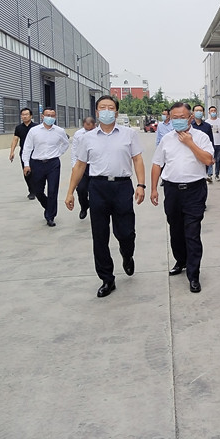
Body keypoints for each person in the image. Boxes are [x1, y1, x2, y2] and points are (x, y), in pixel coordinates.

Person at [65, 95, 146, 298]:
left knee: (126, 233)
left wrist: (141, 185)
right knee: (100, 236)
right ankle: (107, 278)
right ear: (97, 112)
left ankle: (127, 255)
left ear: (116, 112)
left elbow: (137, 159)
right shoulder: (87, 138)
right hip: (98, 187)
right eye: (103, 107)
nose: (107, 111)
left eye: (111, 107)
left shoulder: (129, 134)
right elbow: (80, 165)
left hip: (122, 186)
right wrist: (70, 192)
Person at [150, 102, 215, 293]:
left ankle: (193, 275)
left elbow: (208, 160)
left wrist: (190, 143)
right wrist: (153, 189)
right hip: (172, 191)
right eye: (174, 118)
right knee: (176, 230)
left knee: (192, 232)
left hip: (195, 190)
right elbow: (157, 164)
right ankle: (181, 260)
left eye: (182, 117)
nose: (178, 121)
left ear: (190, 118)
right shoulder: (167, 139)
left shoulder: (201, 137)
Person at [22, 107, 69, 227]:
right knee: (38, 191)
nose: (50, 117)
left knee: (53, 190)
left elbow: (65, 143)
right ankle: (48, 206)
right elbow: (27, 148)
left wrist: (58, 153)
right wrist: (26, 164)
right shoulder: (34, 131)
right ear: (42, 116)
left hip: (53, 164)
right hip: (37, 163)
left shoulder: (59, 131)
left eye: (52, 115)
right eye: (47, 115)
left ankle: (50, 216)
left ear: (55, 117)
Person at [70, 116, 97, 219]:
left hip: (95, 165)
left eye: (91, 129)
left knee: (95, 190)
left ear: (95, 125)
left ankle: (95, 210)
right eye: (86, 129)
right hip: (82, 165)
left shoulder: (100, 134)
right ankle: (84, 206)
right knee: (81, 189)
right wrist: (74, 166)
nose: (88, 131)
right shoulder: (78, 134)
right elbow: (74, 150)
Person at [9, 107, 38, 199]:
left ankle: (37, 189)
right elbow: (15, 139)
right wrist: (12, 152)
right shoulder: (19, 128)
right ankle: (32, 191)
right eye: (23, 115)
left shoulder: (36, 127)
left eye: (26, 114)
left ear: (31, 116)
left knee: (36, 172)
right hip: (24, 153)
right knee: (27, 172)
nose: (24, 116)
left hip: (36, 152)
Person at [190, 104, 214, 182]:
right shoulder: (190, 126)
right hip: (192, 152)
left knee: (202, 173)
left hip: (204, 152)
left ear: (203, 112)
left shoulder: (207, 126)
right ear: (193, 113)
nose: (199, 112)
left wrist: (212, 155)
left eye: (200, 111)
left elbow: (211, 140)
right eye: (196, 110)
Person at [207, 106, 220, 181]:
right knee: (210, 159)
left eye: (214, 110)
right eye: (212, 111)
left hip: (219, 143)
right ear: (209, 112)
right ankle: (209, 175)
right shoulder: (207, 122)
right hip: (210, 144)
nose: (213, 112)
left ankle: (217, 174)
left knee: (218, 160)